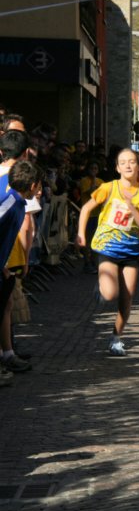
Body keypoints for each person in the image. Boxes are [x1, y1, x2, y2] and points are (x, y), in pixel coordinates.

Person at [77, 149, 139, 356]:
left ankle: (116, 338)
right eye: (123, 162)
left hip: (131, 251)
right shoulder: (108, 187)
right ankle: (102, 287)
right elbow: (85, 209)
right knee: (110, 293)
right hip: (108, 247)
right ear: (117, 168)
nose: (128, 165)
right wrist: (81, 234)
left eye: (132, 162)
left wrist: (131, 206)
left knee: (127, 299)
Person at [0, 161, 43, 379]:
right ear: (32, 186)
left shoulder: (17, 203)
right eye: (39, 186)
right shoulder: (10, 203)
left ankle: (7, 355)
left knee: (5, 305)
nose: (40, 191)